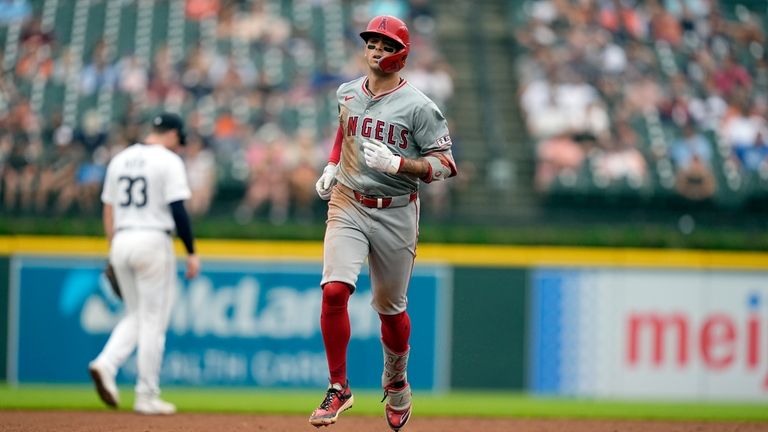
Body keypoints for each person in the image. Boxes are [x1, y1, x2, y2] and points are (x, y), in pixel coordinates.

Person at [309, 15, 457, 431]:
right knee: (335, 288)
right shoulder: (347, 92)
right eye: (372, 43)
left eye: (386, 45)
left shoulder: (420, 106)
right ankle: (339, 386)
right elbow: (344, 130)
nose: (376, 50)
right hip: (348, 202)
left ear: (401, 54)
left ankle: (395, 380)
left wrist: (401, 163)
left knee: (390, 311)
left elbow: (446, 165)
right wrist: (333, 164)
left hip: (395, 209)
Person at [88, 112, 201, 415]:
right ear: (174, 134)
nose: (179, 146)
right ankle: (146, 394)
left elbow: (108, 208)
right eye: (179, 140)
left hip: (121, 239)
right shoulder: (168, 160)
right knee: (153, 321)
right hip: (153, 240)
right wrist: (191, 251)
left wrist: (113, 249)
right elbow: (178, 210)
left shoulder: (120, 158)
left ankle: (106, 364)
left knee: (138, 314)